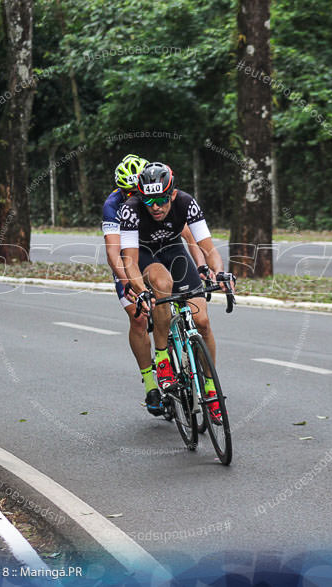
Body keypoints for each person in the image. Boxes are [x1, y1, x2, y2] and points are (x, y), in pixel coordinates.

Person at [118, 161, 235, 421]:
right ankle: (162, 359)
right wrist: (139, 289)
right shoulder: (130, 210)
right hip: (146, 255)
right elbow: (129, 260)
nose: (156, 206)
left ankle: (210, 389)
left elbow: (208, 247)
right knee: (162, 284)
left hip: (174, 251)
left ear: (171, 193)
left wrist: (219, 271)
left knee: (202, 321)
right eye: (149, 201)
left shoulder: (185, 202)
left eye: (161, 199)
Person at [101, 155, 206, 413]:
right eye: (125, 192)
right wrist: (130, 283)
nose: (131, 197)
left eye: (134, 191)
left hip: (161, 252)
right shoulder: (114, 205)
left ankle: (175, 344)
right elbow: (115, 253)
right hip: (129, 261)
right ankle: (150, 384)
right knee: (138, 319)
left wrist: (200, 265)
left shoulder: (156, 200)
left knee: (170, 294)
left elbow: (187, 234)